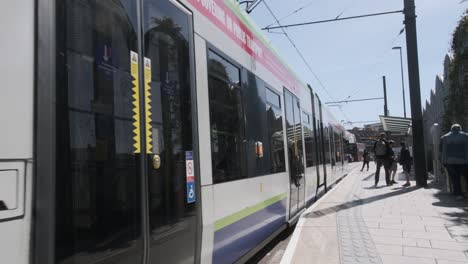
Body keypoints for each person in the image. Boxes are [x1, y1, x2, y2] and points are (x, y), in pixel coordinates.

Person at [439, 124, 468, 200]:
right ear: (460, 128)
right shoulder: (466, 136)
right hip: (464, 161)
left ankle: (458, 194)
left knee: (455, 178)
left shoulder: (444, 137)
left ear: (451, 129)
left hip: (449, 161)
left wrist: (443, 163)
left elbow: (441, 151)